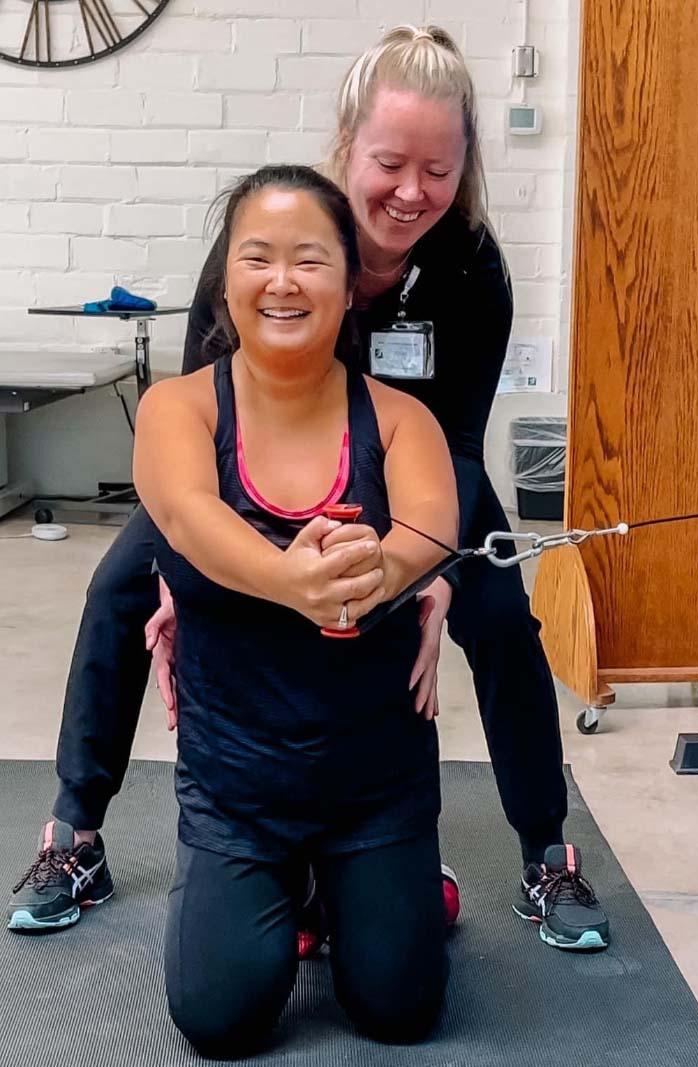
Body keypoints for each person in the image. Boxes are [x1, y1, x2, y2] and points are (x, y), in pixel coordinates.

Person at [8, 25, 608, 952]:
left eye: (438, 170)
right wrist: (184, 575)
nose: (412, 191)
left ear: (465, 169)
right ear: (346, 145)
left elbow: (452, 448)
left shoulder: (472, 270)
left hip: (415, 483)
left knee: (499, 613)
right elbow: (191, 440)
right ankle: (75, 833)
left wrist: (431, 574)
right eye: (390, 162)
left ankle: (546, 852)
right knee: (116, 589)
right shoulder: (267, 246)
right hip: (260, 476)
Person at [130, 164, 454, 1056]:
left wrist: (375, 568)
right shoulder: (176, 409)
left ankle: (372, 883)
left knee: (399, 1010)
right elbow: (191, 519)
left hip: (374, 781)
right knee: (220, 1019)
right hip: (237, 784)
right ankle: (280, 886)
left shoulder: (399, 420)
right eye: (257, 257)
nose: (282, 281)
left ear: (350, 285)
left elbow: (430, 524)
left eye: (310, 260)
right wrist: (296, 580)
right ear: (226, 278)